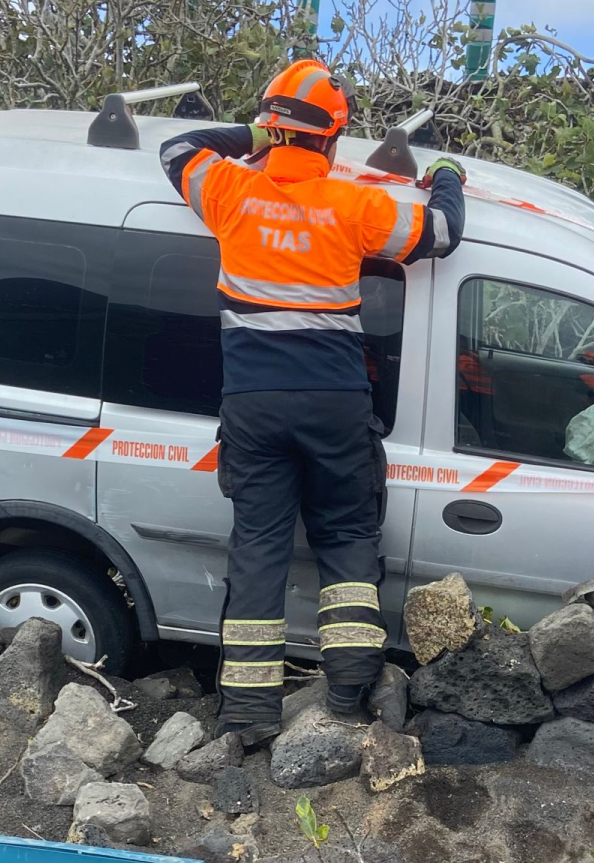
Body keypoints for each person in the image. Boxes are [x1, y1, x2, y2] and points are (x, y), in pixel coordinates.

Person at [159, 60, 466, 745]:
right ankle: (350, 698)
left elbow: (176, 148)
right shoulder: (355, 205)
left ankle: (246, 718)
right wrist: (446, 176)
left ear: (269, 132)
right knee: (348, 537)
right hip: (333, 401)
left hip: (253, 404)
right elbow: (442, 234)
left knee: (260, 549)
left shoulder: (228, 190)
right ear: (331, 140)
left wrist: (253, 132)